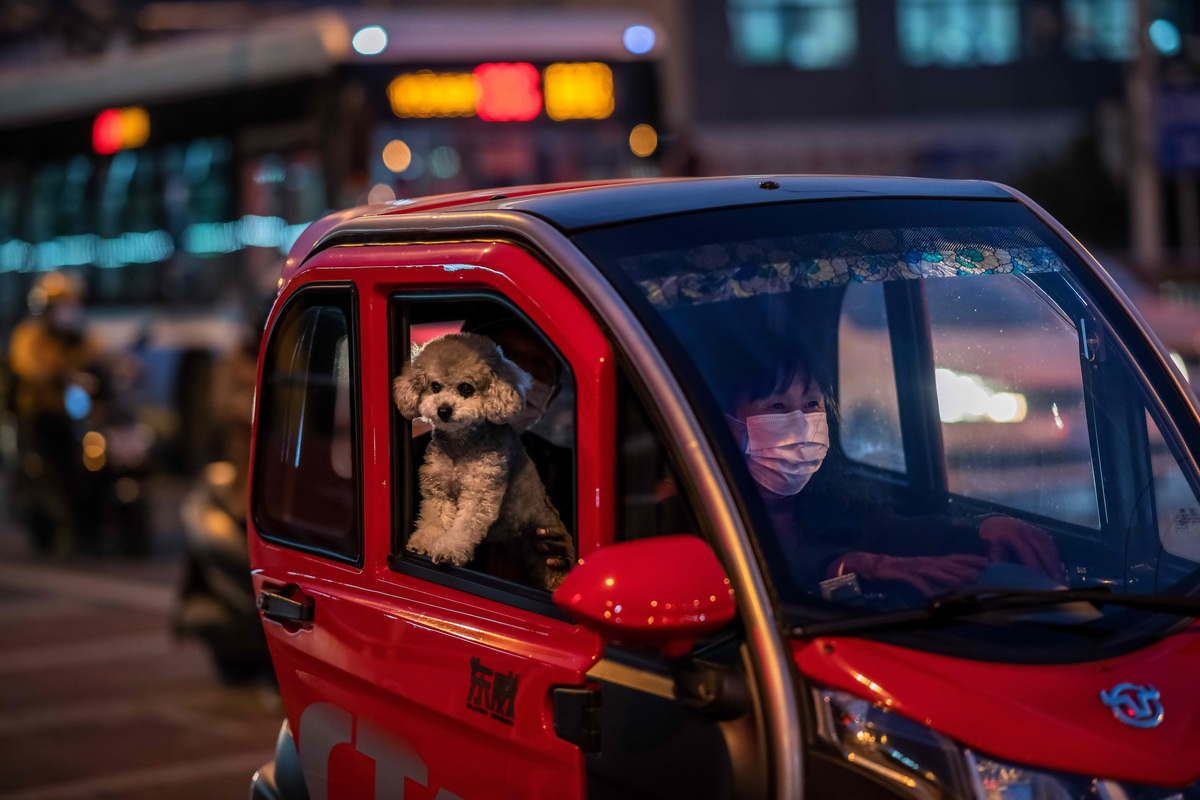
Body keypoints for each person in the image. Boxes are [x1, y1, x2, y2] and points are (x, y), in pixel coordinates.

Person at [712, 332, 1063, 601]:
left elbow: (902, 535)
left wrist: (980, 529)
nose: (802, 423)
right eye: (776, 406)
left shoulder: (834, 506)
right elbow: (744, 573)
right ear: (727, 424)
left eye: (811, 404)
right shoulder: (700, 515)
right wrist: (849, 567)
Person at [7, 271, 103, 554]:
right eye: (60, 305)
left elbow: (102, 356)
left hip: (73, 416)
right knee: (50, 471)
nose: (66, 312)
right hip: (38, 418)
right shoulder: (29, 335)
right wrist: (56, 375)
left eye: (70, 305)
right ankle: (61, 524)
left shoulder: (79, 337)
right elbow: (26, 366)